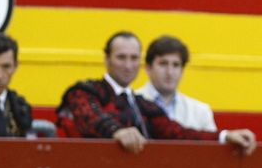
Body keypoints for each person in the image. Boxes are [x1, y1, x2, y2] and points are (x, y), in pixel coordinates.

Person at [58, 31, 235, 152]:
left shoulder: (142, 104)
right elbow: (90, 117)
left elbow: (178, 133)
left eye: (134, 58)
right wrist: (116, 132)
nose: (128, 66)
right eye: (121, 57)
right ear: (107, 60)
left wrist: (225, 136)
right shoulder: (85, 92)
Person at [137, 35, 260, 154]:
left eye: (176, 65)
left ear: (182, 71)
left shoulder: (201, 111)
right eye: (163, 64)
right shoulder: (131, 102)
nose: (169, 72)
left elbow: (212, 153)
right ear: (148, 68)